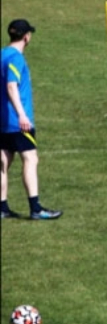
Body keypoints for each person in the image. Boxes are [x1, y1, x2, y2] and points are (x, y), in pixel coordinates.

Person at [1, 19, 62, 220]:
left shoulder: (2, 55)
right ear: (26, 37)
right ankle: (36, 208)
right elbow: (12, 86)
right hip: (16, 121)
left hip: (2, 121)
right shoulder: (16, 58)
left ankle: (2, 208)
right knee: (30, 159)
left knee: (3, 162)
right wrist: (22, 115)